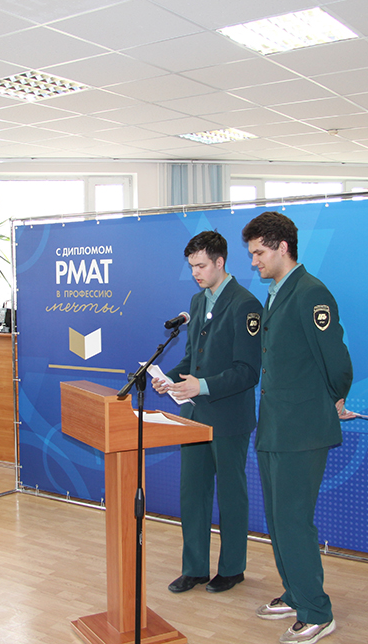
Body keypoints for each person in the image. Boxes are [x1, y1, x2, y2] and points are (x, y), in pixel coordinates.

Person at [242, 212, 353, 644]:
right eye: (252, 253)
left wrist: (333, 397)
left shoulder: (311, 293)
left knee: (293, 520)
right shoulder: (277, 293)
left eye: (259, 253)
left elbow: (336, 361)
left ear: (282, 247)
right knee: (277, 518)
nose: (254, 261)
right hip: (275, 425)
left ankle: (316, 611)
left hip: (302, 428)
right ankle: (295, 592)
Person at [152, 231, 262, 594]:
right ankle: (195, 568)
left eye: (200, 266)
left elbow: (248, 371)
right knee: (193, 493)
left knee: (231, 495)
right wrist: (168, 379)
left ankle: (232, 568)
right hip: (195, 416)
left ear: (220, 262)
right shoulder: (197, 302)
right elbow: (191, 360)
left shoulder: (246, 304)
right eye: (191, 267)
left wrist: (202, 385)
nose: (195, 273)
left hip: (229, 417)